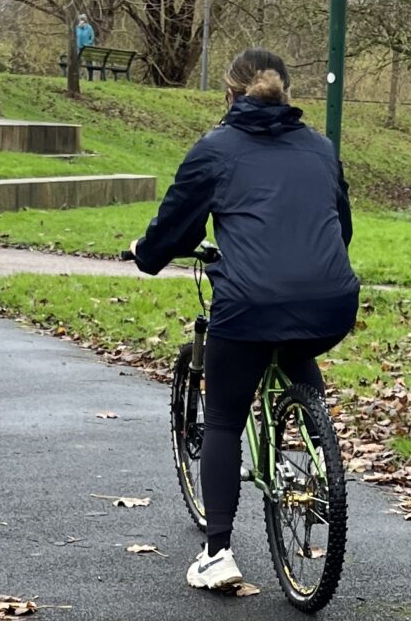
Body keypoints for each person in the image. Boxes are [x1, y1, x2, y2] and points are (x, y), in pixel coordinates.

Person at [131, 47, 357, 591]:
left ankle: (217, 554)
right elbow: (341, 226)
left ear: (229, 94)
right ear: (287, 92)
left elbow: (175, 228)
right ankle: (313, 441)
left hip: (251, 302)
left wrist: (147, 253)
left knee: (226, 417)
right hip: (331, 302)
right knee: (294, 345)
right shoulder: (321, 148)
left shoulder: (217, 149)